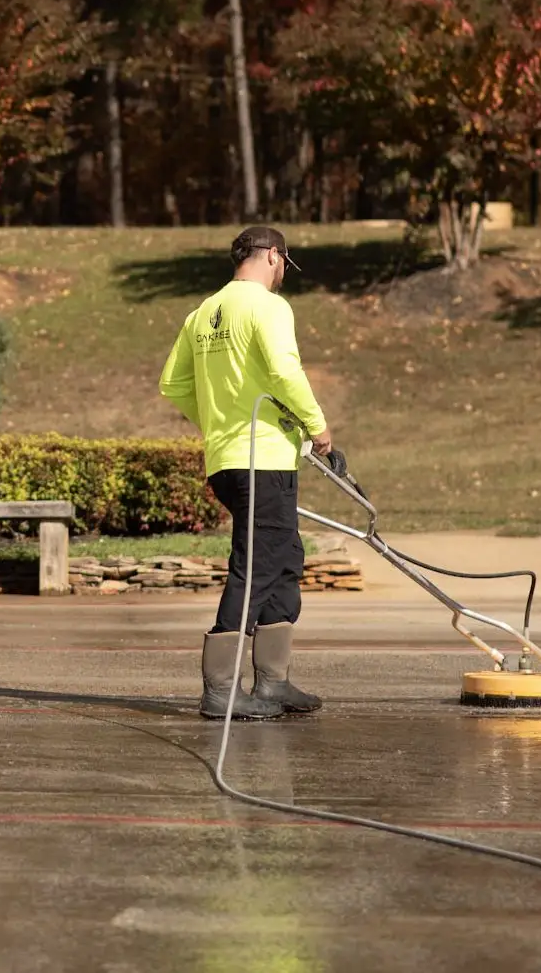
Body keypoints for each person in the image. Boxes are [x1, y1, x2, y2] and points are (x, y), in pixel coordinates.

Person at [158, 226, 331, 721]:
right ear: (273, 256)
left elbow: (173, 384)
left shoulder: (203, 312)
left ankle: (273, 682)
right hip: (263, 460)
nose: (282, 276)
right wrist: (317, 427)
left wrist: (218, 421)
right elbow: (282, 369)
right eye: (283, 266)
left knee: (283, 558)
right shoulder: (268, 307)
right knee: (256, 564)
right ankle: (221, 688)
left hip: (229, 460)